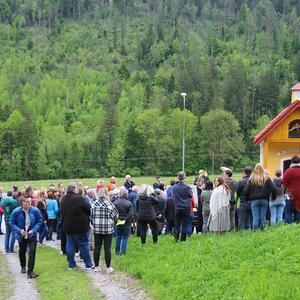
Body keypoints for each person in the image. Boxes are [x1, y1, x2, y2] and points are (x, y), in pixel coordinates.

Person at [60, 183, 94, 270]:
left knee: (70, 244)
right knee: (83, 244)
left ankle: (71, 264)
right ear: (74, 189)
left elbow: (60, 211)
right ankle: (88, 264)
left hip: (67, 225)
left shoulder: (63, 199)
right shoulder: (80, 198)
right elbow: (89, 208)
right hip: (80, 226)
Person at [9, 195, 42, 278]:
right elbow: (11, 223)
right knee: (22, 251)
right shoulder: (16, 211)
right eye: (27, 202)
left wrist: (33, 230)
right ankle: (23, 266)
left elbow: (39, 221)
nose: (29, 203)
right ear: (22, 202)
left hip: (32, 235)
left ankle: (30, 271)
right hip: (21, 235)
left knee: (32, 251)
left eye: (30, 201)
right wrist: (19, 231)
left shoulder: (35, 210)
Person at [92, 188, 119, 273]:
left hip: (97, 228)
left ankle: (96, 267)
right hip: (107, 229)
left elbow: (91, 215)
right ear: (107, 194)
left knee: (97, 248)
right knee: (107, 248)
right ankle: (108, 268)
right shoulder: (110, 204)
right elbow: (116, 216)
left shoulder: (94, 204)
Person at [244, 163, 277, 230]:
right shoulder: (267, 178)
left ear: (255, 169)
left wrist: (247, 199)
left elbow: (246, 190)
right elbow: (273, 189)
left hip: (254, 200)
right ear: (263, 169)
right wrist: (273, 197)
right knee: (263, 217)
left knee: (255, 218)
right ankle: (262, 232)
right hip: (264, 200)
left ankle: (255, 234)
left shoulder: (252, 178)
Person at [172, 171, 193, 242]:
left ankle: (176, 238)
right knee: (184, 224)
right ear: (184, 177)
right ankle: (183, 239)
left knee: (177, 224)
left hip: (177, 207)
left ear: (177, 177)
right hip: (185, 207)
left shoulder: (174, 187)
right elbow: (191, 195)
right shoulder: (187, 187)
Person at [113, 187, 134, 255]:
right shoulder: (129, 203)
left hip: (118, 222)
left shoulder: (115, 202)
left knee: (118, 237)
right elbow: (131, 213)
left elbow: (113, 213)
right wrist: (125, 219)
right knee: (125, 238)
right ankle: (123, 252)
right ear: (126, 194)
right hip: (127, 223)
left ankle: (116, 251)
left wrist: (117, 220)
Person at [282, 155, 300, 223]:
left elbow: (284, 183)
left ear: (291, 162)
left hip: (290, 195)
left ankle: (288, 229)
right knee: (298, 212)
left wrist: (284, 193)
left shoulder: (288, 171)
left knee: (288, 213)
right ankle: (297, 230)